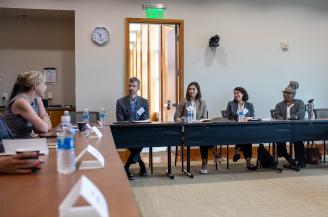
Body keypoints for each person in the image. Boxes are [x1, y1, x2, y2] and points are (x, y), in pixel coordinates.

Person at [174, 82, 224, 174]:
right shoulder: (184, 101)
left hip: (198, 128)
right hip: (187, 129)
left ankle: (205, 162)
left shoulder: (202, 102)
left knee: (204, 136)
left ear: (197, 91)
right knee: (204, 137)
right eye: (190, 89)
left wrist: (199, 122)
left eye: (193, 89)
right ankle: (214, 155)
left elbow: (204, 118)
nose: (191, 91)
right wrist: (182, 120)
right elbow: (176, 116)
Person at [116, 77, 149, 180]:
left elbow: (145, 119)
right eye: (130, 85)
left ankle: (126, 167)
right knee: (136, 144)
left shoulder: (144, 102)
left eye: (133, 86)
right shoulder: (120, 102)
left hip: (140, 131)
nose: (131, 88)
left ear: (138, 87)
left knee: (142, 140)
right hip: (126, 132)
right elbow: (120, 120)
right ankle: (141, 164)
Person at [3, 71, 52, 138]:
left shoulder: (37, 99)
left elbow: (44, 127)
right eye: (44, 84)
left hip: (24, 142)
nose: (46, 87)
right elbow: (43, 128)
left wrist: (43, 122)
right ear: (36, 86)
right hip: (12, 144)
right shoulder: (21, 102)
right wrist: (44, 120)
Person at [274, 81, 306, 168]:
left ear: (294, 95)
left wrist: (293, 117)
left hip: (296, 128)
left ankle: (301, 161)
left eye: (288, 93)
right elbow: (276, 115)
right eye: (284, 93)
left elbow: (301, 113)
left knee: (298, 139)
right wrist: (284, 120)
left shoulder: (299, 103)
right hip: (283, 128)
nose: (285, 95)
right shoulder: (279, 105)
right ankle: (288, 157)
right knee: (279, 138)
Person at [224, 87, 257, 170]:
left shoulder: (249, 105)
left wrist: (247, 118)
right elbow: (226, 117)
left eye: (238, 93)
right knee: (246, 138)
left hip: (246, 128)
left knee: (246, 136)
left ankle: (238, 150)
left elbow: (253, 117)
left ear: (243, 94)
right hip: (234, 128)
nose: (236, 95)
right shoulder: (231, 104)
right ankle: (248, 163)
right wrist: (232, 120)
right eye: (234, 93)